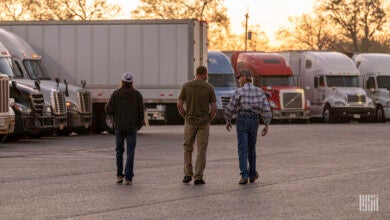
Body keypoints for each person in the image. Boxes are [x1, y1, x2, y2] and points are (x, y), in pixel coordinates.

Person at [224, 70, 272, 185]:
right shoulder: (260, 91)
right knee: (252, 149)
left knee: (242, 149)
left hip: (242, 120)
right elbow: (266, 108)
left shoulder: (239, 91)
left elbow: (230, 107)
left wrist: (228, 120)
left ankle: (244, 176)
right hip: (254, 121)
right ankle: (252, 175)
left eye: (239, 78)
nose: (238, 80)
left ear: (245, 78)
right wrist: (266, 124)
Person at [177, 66, 217, 185]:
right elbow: (214, 108)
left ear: (196, 73)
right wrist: (209, 118)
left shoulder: (186, 86)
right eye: (206, 75)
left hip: (190, 121)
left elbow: (179, 104)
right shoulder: (209, 87)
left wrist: (186, 116)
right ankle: (198, 176)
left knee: (187, 148)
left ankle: (187, 174)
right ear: (204, 74)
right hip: (203, 123)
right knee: (201, 150)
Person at [105, 72, 144, 185]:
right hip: (132, 127)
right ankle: (128, 177)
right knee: (130, 152)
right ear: (131, 82)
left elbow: (109, 110)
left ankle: (119, 175)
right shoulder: (137, 94)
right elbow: (141, 112)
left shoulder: (116, 94)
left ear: (122, 82)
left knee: (119, 151)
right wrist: (138, 125)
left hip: (119, 127)